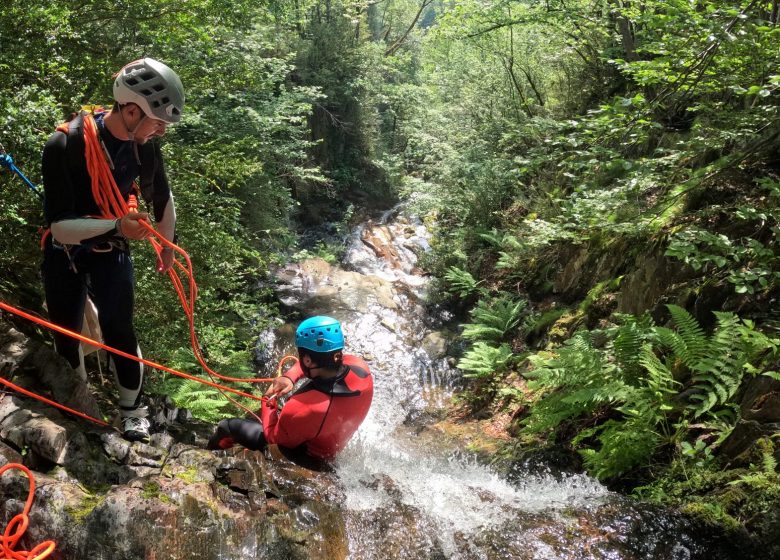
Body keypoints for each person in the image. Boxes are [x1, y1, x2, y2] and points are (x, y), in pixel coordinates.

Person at [41, 58, 185, 442]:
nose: (162, 131)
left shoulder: (145, 148)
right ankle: (79, 402)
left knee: (119, 326)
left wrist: (167, 247)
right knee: (67, 331)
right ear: (133, 110)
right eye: (158, 121)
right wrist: (117, 225)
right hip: (65, 249)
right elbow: (59, 226)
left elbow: (162, 199)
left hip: (111, 244)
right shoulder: (64, 143)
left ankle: (132, 411)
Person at [208, 316, 374, 462]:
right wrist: (290, 377)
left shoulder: (303, 406)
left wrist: (267, 401)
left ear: (307, 360)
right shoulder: (360, 368)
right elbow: (322, 362)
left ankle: (209, 458)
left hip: (304, 454)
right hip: (331, 444)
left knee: (227, 426)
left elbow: (273, 436)